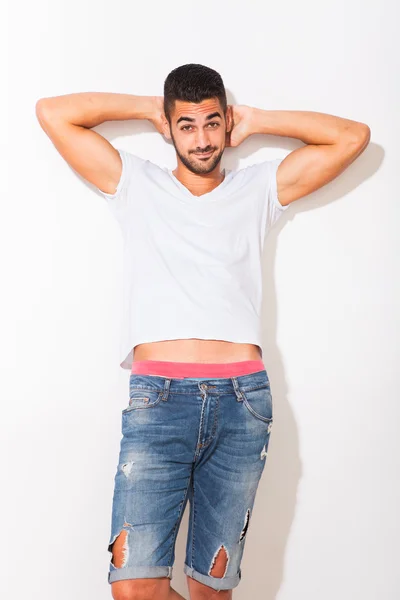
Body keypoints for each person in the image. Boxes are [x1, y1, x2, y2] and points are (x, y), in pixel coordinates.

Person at [36, 63, 370, 600]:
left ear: (227, 123)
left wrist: (258, 120)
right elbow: (53, 114)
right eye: (186, 125)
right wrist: (148, 108)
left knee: (210, 590)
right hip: (158, 401)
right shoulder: (135, 183)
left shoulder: (258, 187)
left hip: (242, 404)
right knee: (135, 588)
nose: (202, 138)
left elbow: (353, 136)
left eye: (213, 123)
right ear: (169, 129)